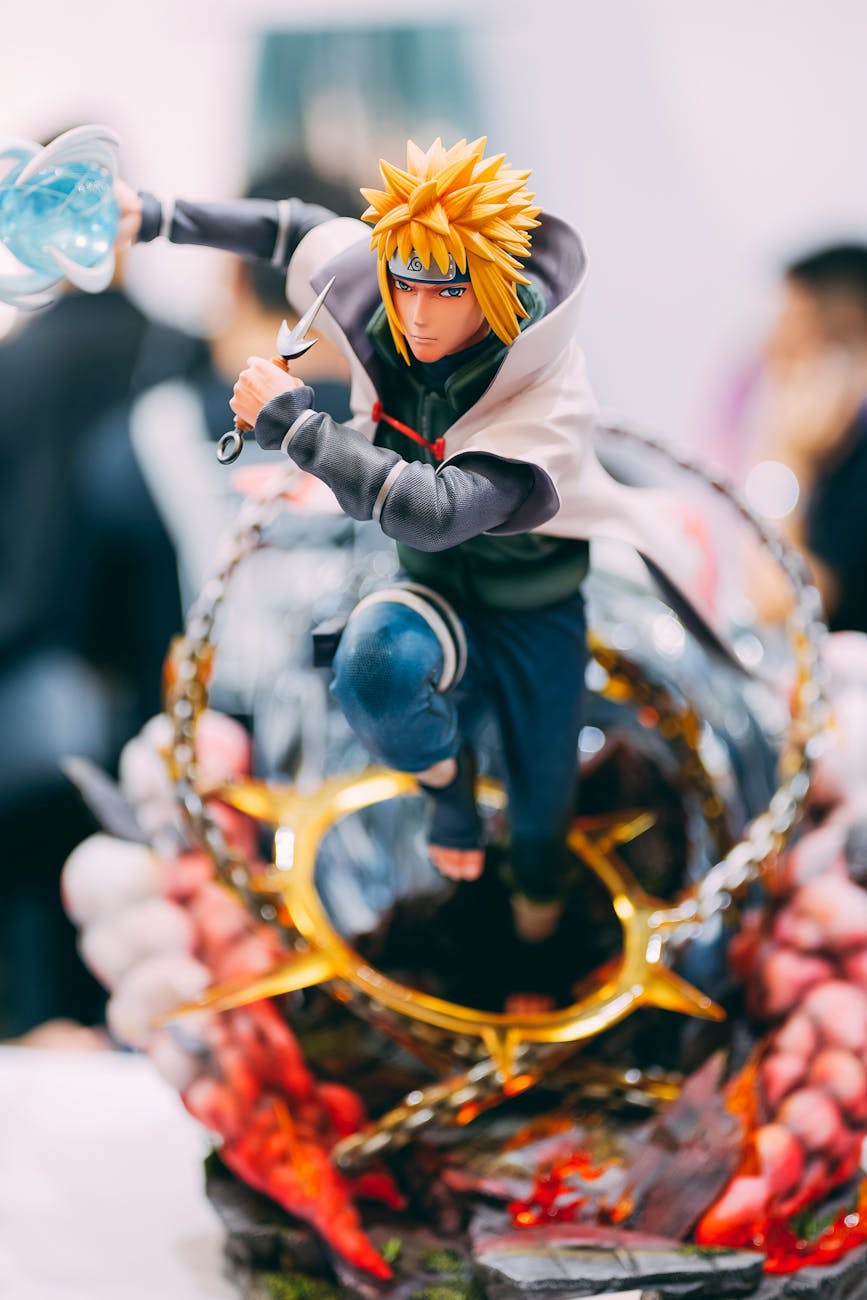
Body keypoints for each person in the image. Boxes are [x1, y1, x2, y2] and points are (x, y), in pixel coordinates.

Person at [117, 135, 727, 943]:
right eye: (404, 286)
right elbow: (288, 230)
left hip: (534, 617)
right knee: (373, 666)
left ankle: (535, 945)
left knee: (540, 829)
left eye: (445, 293)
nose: (417, 314)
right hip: (433, 597)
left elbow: (435, 511)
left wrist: (301, 431)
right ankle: (449, 797)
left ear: (491, 285)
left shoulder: (541, 390)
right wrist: (152, 215)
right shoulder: (384, 299)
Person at [739, 244, 867, 633]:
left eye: (789, 326)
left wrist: (786, 456)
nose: (770, 348)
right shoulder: (837, 454)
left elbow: (779, 601)